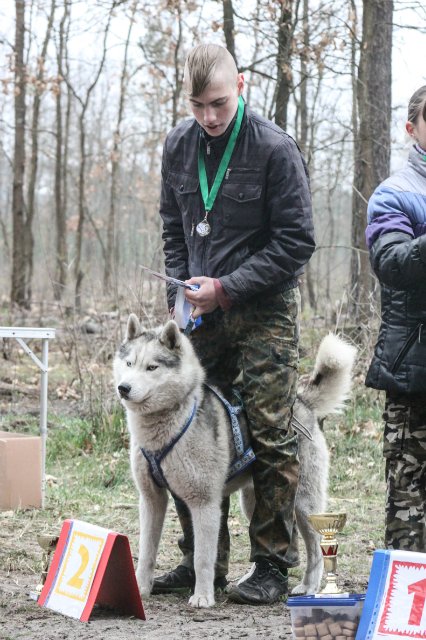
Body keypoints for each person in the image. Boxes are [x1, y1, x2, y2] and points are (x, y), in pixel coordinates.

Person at [153, 43, 315, 605]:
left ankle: (271, 564)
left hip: (263, 311)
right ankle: (203, 564)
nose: (209, 117)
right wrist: (180, 289)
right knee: (188, 433)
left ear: (240, 86)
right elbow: (173, 228)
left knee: (270, 431)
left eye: (219, 103)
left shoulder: (274, 148)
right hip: (199, 315)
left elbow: (297, 242)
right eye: (198, 105)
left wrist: (229, 288)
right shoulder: (178, 144)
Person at [365, 85, 426, 552]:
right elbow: (394, 263)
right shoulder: (394, 195)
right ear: (412, 129)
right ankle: (406, 618)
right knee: (411, 507)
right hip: (413, 376)